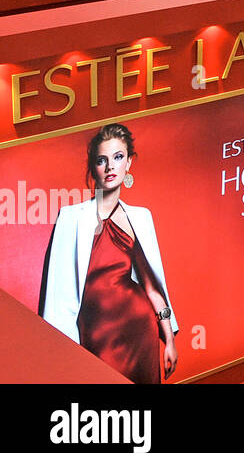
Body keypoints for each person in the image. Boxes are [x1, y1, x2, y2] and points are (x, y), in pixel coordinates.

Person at [42, 124, 179, 383]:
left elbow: (153, 289)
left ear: (129, 163)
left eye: (118, 157)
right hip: (96, 334)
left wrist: (169, 340)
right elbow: (58, 296)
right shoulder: (71, 218)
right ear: (93, 167)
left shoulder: (140, 217)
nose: (110, 167)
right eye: (102, 160)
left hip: (139, 330)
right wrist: (61, 352)